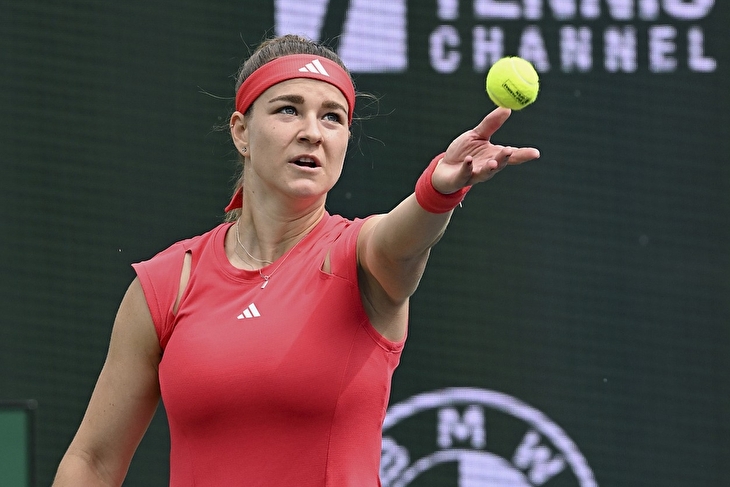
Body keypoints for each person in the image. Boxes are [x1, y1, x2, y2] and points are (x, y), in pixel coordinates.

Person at [52, 34, 540, 486]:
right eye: (288, 110)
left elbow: (404, 239)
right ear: (241, 132)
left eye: (332, 117)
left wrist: (438, 191)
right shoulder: (167, 283)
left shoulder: (361, 257)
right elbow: (92, 460)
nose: (312, 132)